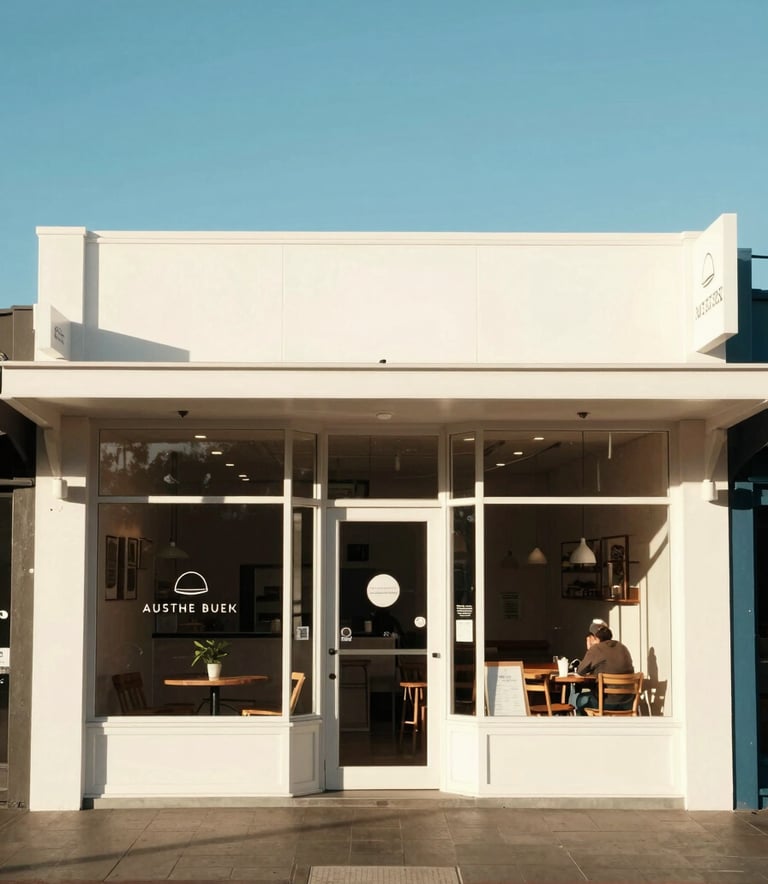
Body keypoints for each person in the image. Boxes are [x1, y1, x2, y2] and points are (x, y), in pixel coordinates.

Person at [574, 624, 634, 714]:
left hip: (605, 702)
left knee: (579, 699)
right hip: (628, 702)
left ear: (594, 638)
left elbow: (579, 672)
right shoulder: (622, 647)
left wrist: (589, 648)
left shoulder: (596, 649)